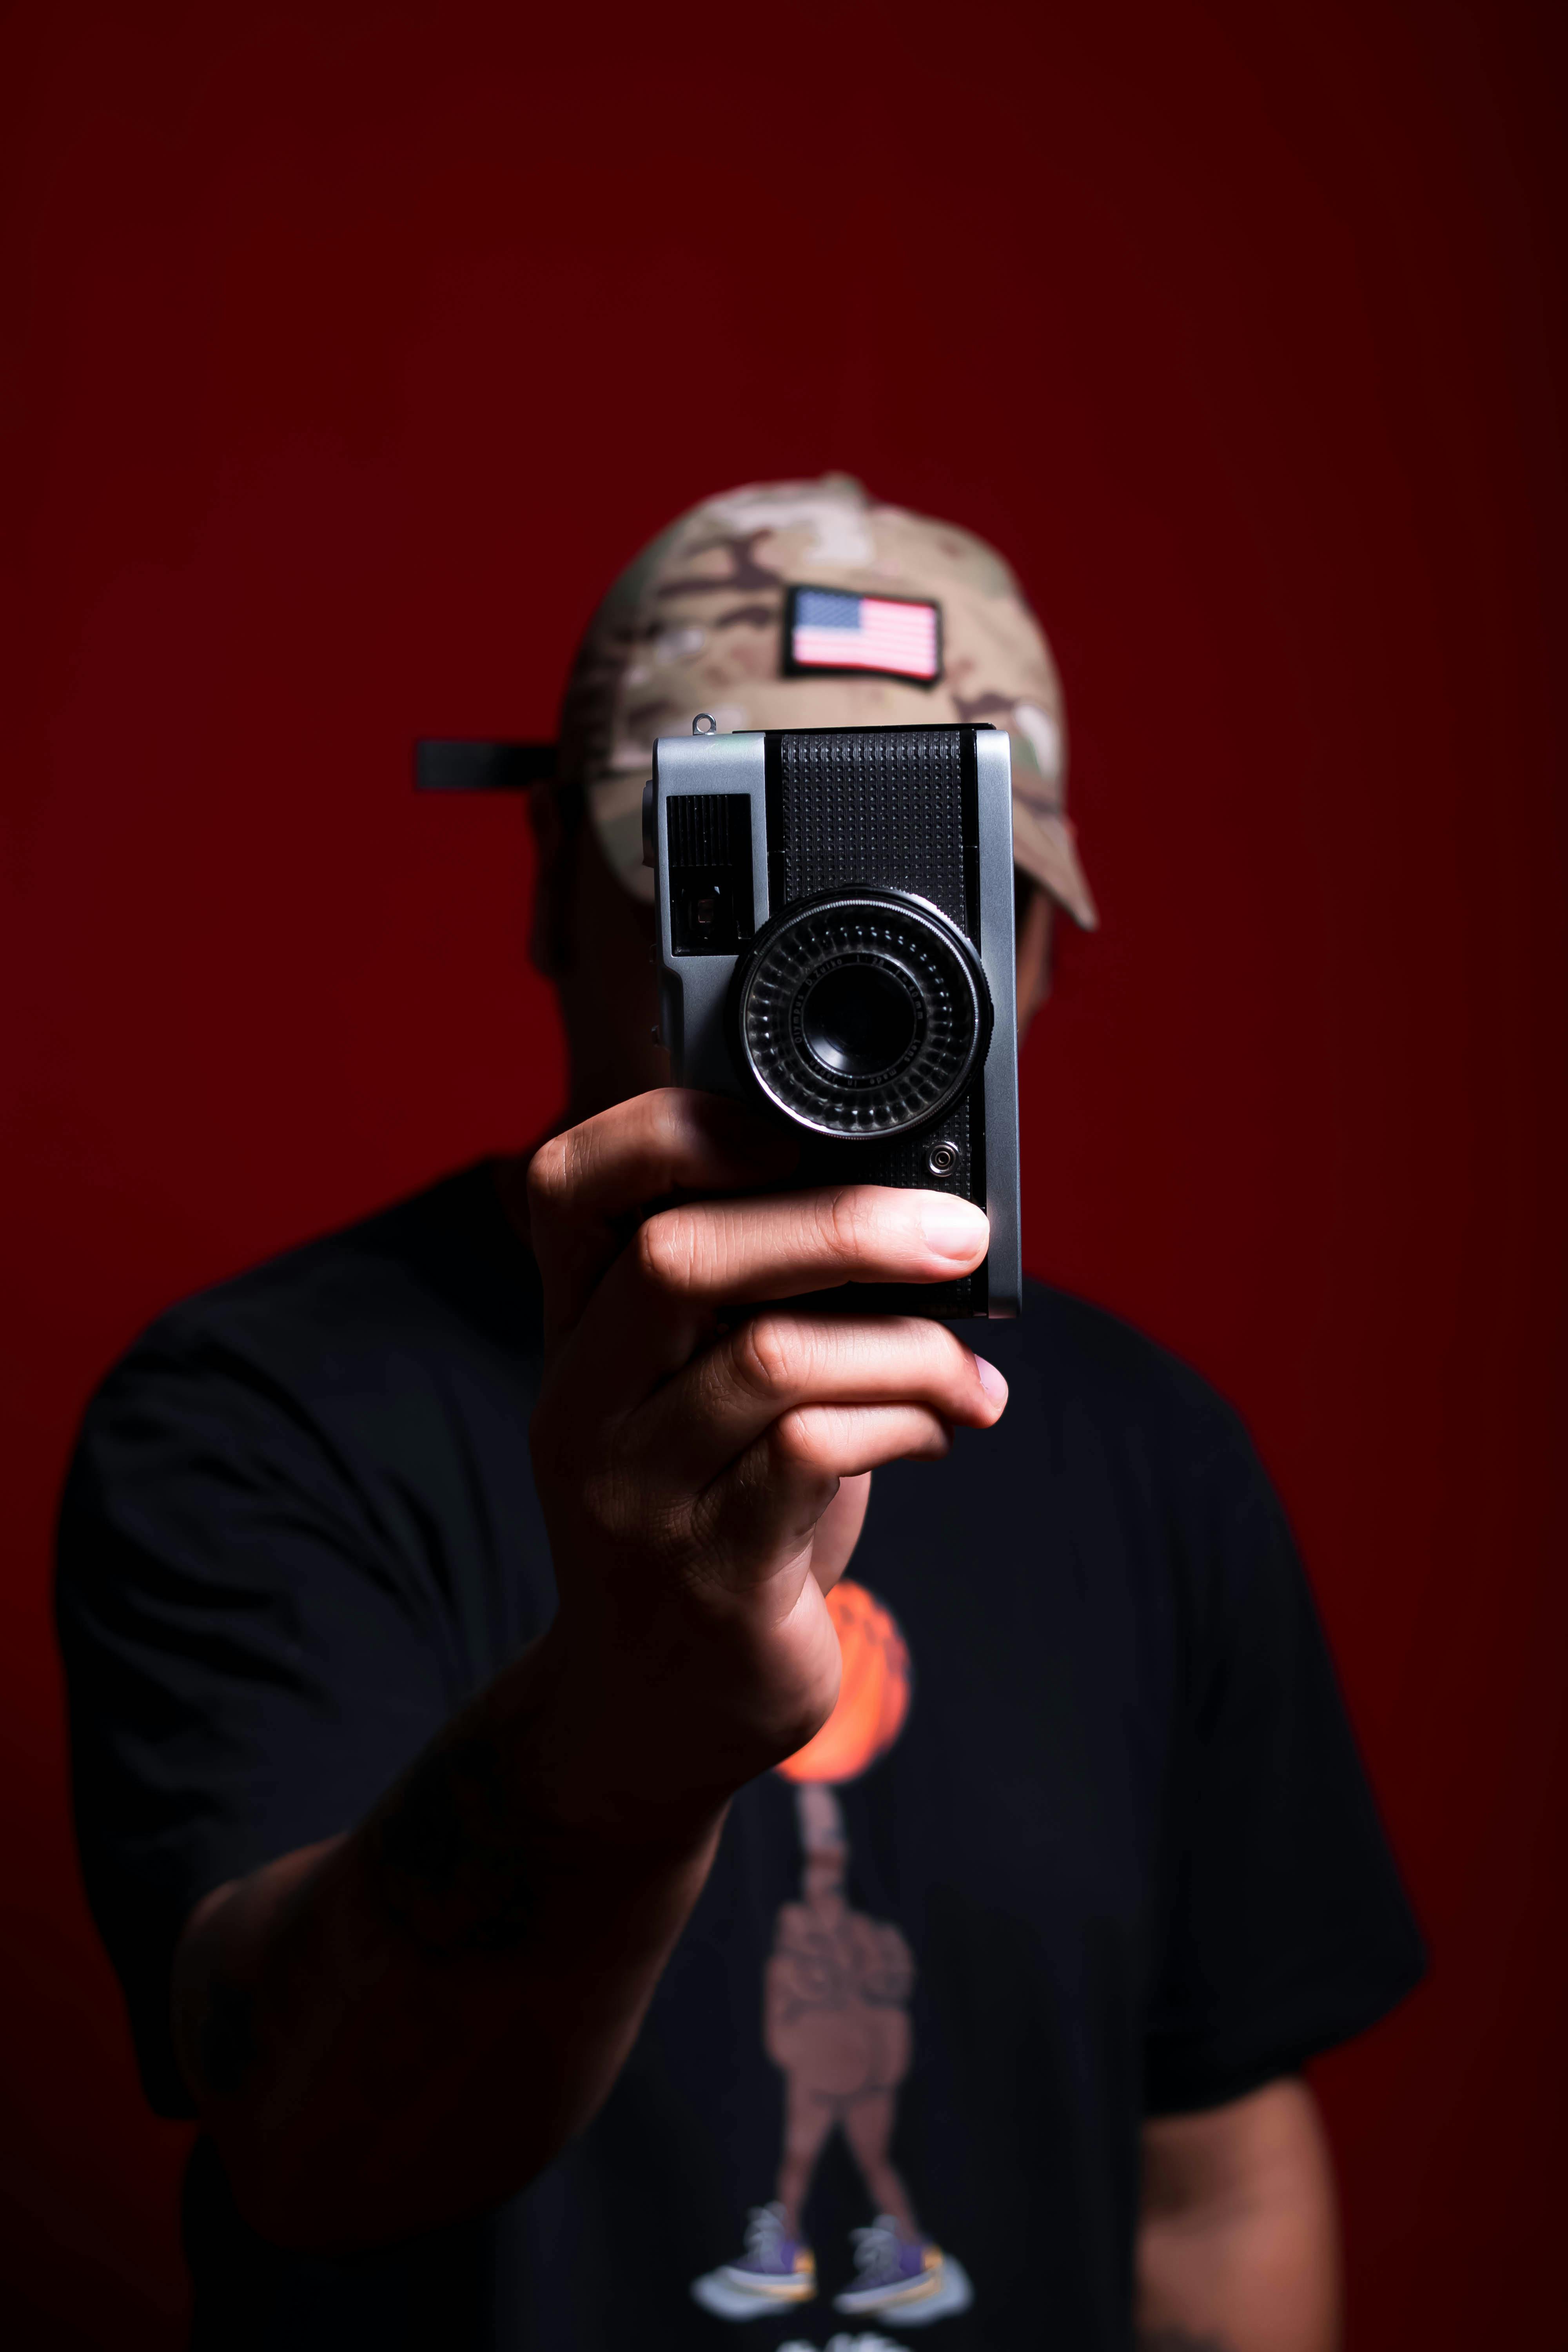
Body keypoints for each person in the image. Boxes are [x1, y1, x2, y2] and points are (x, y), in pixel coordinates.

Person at [55, 476, 1423, 2352]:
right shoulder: (257, 1416)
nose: (844, 987)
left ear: (1037, 958)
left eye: (945, 905)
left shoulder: (1153, 1452)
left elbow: (1216, 2184)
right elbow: (304, 2143)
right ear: (557, 896)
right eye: (742, 894)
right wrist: (621, 1722)